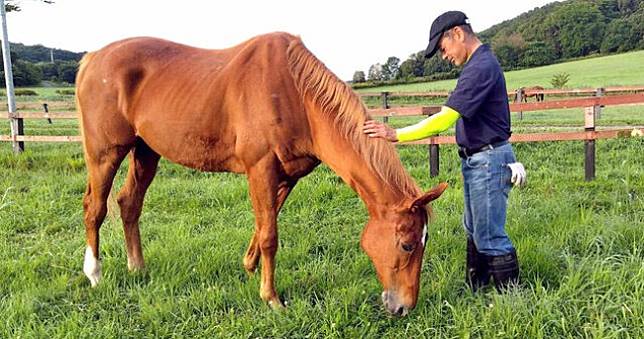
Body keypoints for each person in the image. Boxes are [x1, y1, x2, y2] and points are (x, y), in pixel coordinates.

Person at [363, 10, 526, 292]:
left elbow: (444, 118)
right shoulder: (477, 65)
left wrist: (396, 134)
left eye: (443, 47)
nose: (444, 55)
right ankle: (476, 288)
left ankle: (512, 301)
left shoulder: (481, 67)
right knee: (475, 230)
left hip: (488, 160)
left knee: (490, 235)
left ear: (458, 34)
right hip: (479, 160)